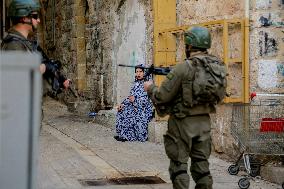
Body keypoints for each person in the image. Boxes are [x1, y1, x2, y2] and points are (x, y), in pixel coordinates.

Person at [144, 27, 226, 189]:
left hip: (182, 123)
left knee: (179, 167)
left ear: (189, 46)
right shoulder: (217, 67)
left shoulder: (184, 67)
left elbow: (162, 96)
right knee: (202, 167)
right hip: (204, 123)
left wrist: (150, 88)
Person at [1, 0, 70, 89]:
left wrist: (57, 78)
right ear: (24, 18)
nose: (38, 20)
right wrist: (45, 67)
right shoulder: (14, 45)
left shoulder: (23, 43)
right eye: (35, 16)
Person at [115, 64, 153, 142]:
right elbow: (130, 97)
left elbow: (145, 101)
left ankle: (131, 137)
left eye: (140, 72)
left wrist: (135, 100)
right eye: (137, 72)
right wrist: (122, 104)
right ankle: (123, 135)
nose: (138, 74)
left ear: (144, 72)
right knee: (122, 110)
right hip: (135, 106)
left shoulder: (148, 84)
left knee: (129, 113)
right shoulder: (136, 84)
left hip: (144, 110)